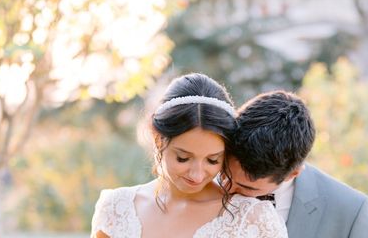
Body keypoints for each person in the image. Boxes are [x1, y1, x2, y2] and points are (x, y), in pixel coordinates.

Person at [91, 73, 287, 238]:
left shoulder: (254, 217)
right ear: (158, 140)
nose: (197, 175)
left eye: (213, 160)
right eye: (183, 158)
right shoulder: (117, 207)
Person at [227, 90, 368, 238]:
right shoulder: (206, 177)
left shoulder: (350, 211)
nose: (227, 187)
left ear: (292, 173)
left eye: (246, 187)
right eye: (225, 173)